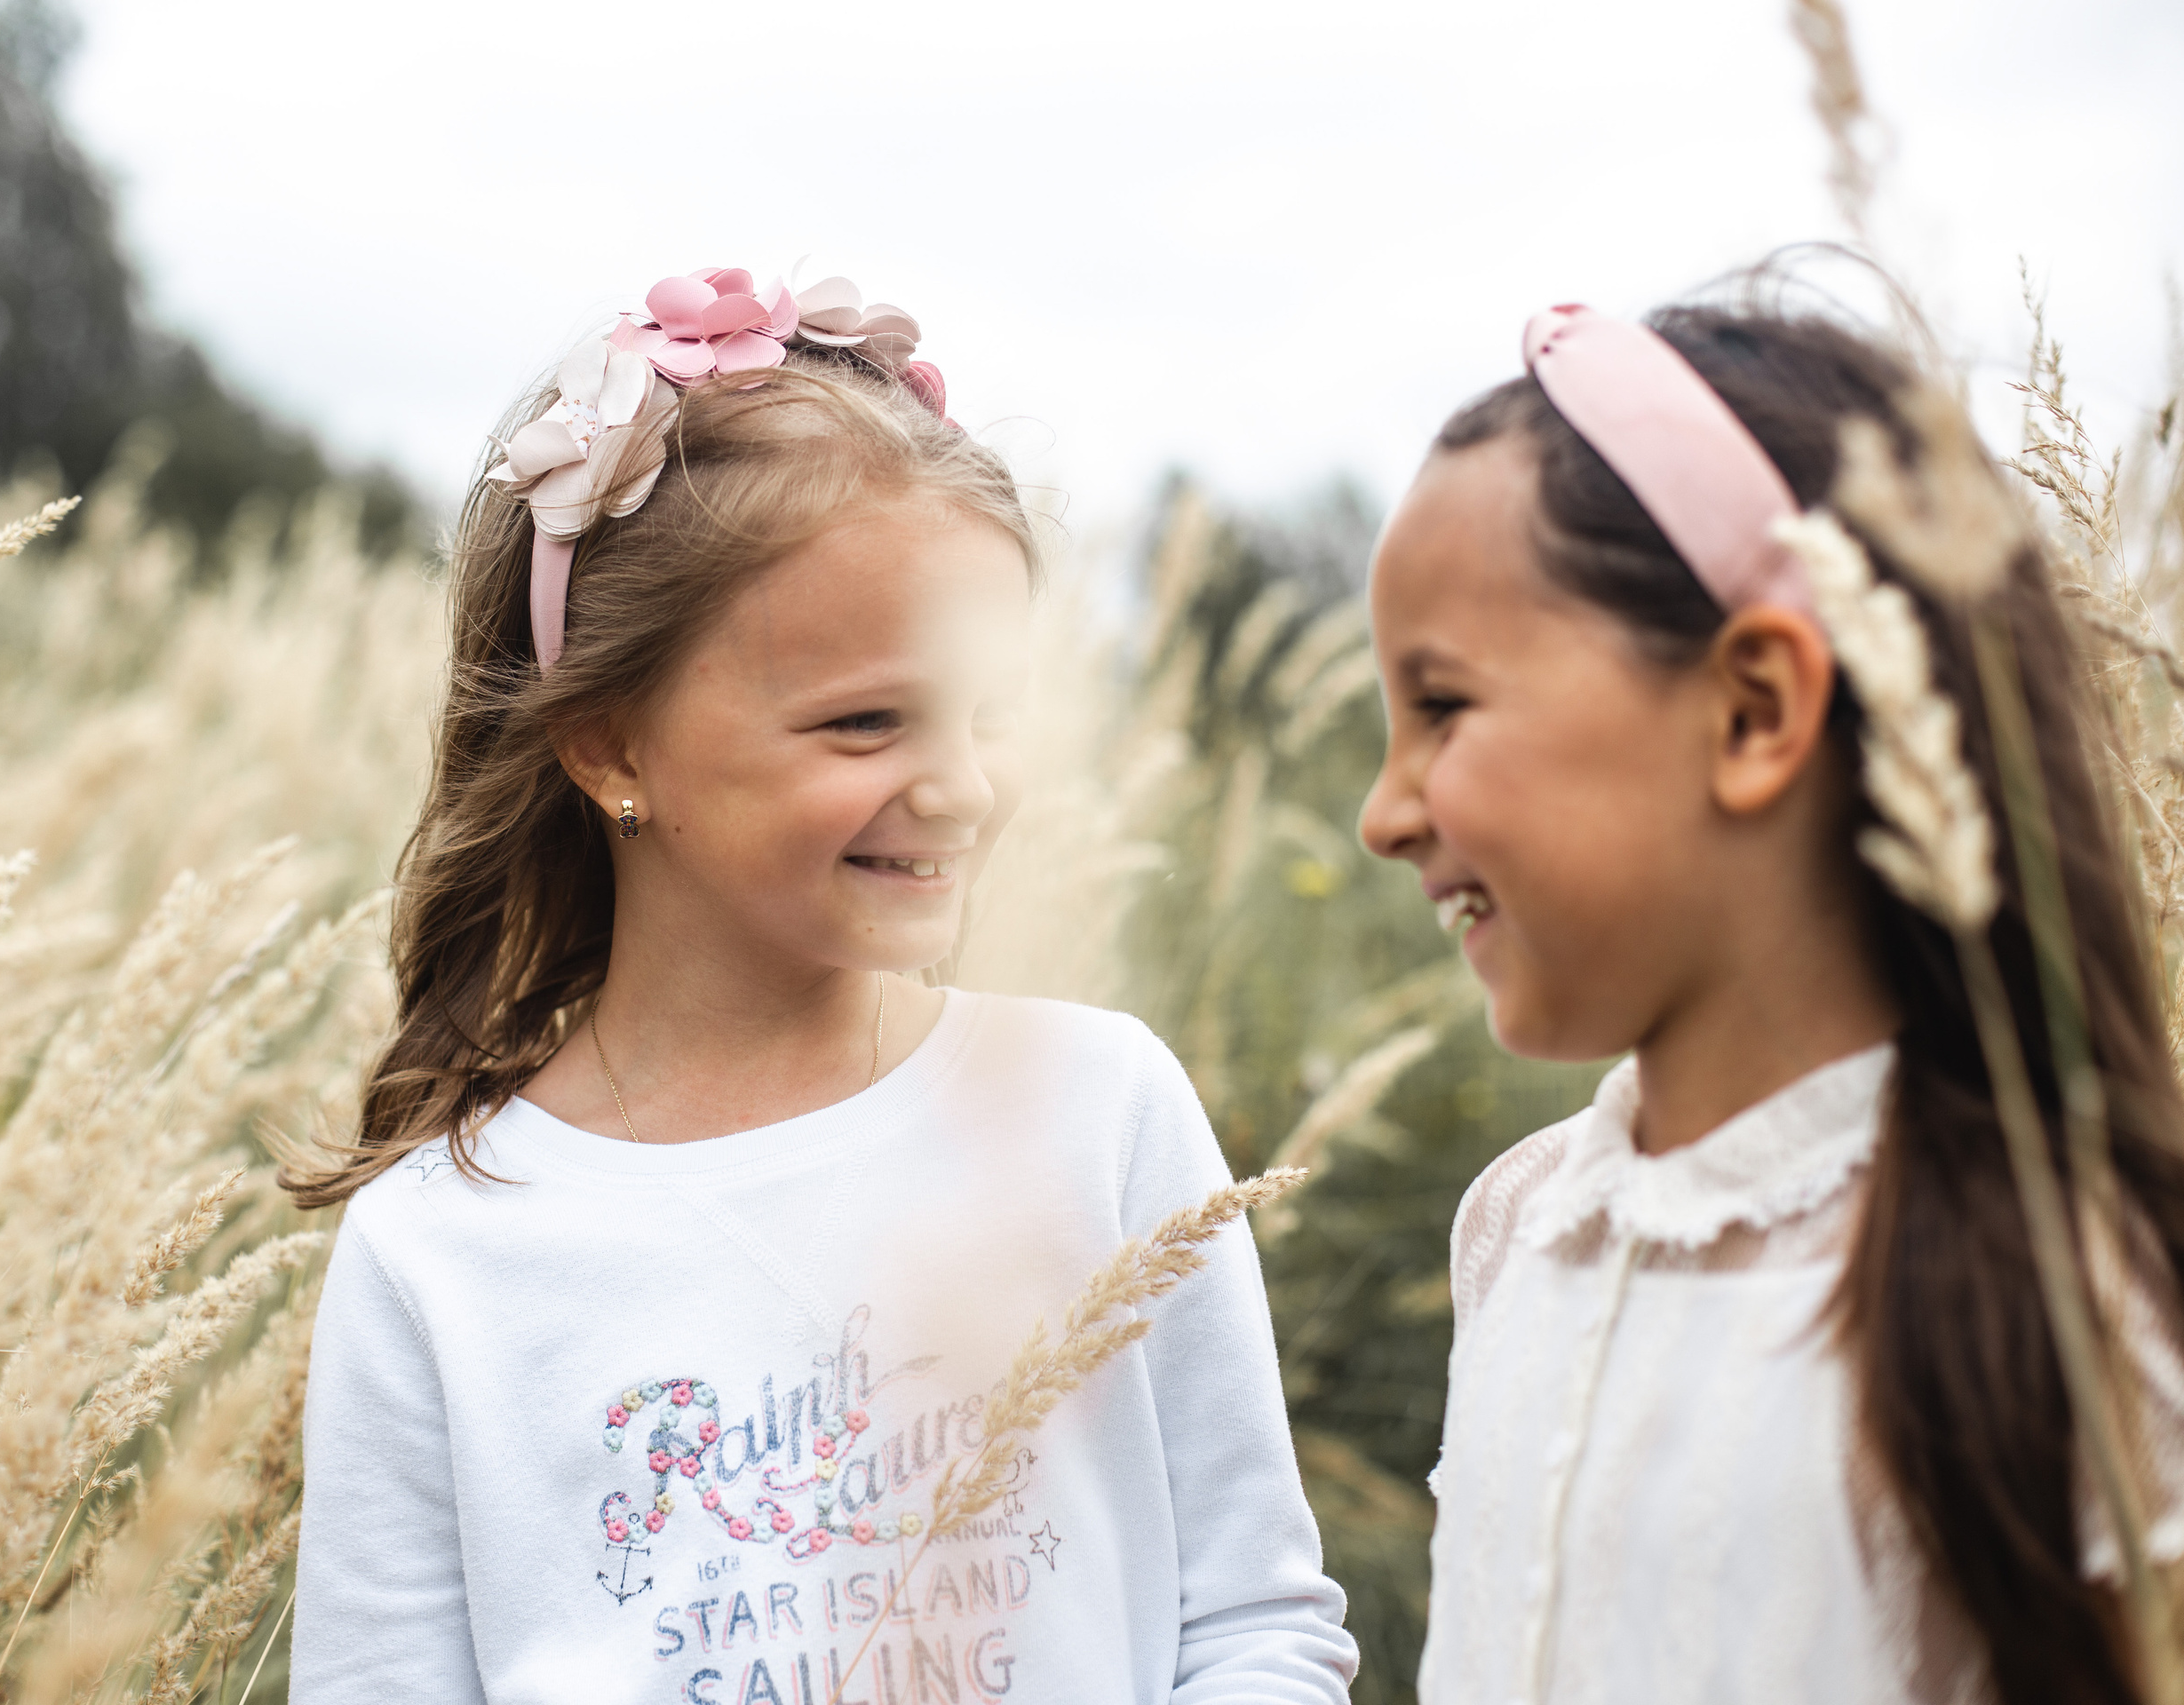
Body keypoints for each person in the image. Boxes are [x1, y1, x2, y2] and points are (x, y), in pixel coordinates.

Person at [285, 267, 1356, 1704]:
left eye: (988, 712)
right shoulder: (442, 1249)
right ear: (609, 746)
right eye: (864, 722)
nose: (961, 786)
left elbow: (1256, 1629)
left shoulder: (1096, 1111)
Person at [1360, 297, 2184, 1703]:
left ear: (1752, 710)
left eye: (1441, 707)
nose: (1383, 813)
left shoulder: (2070, 1299)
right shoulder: (1516, 1226)